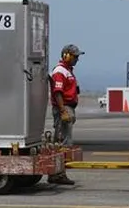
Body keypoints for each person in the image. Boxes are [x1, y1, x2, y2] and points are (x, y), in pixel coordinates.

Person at [49, 43, 84, 185]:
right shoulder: (60, 71)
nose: (77, 59)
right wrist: (63, 110)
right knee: (62, 143)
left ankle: (58, 173)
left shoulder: (68, 70)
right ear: (66, 55)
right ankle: (57, 174)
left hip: (69, 108)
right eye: (75, 56)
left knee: (64, 142)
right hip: (63, 108)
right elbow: (57, 92)